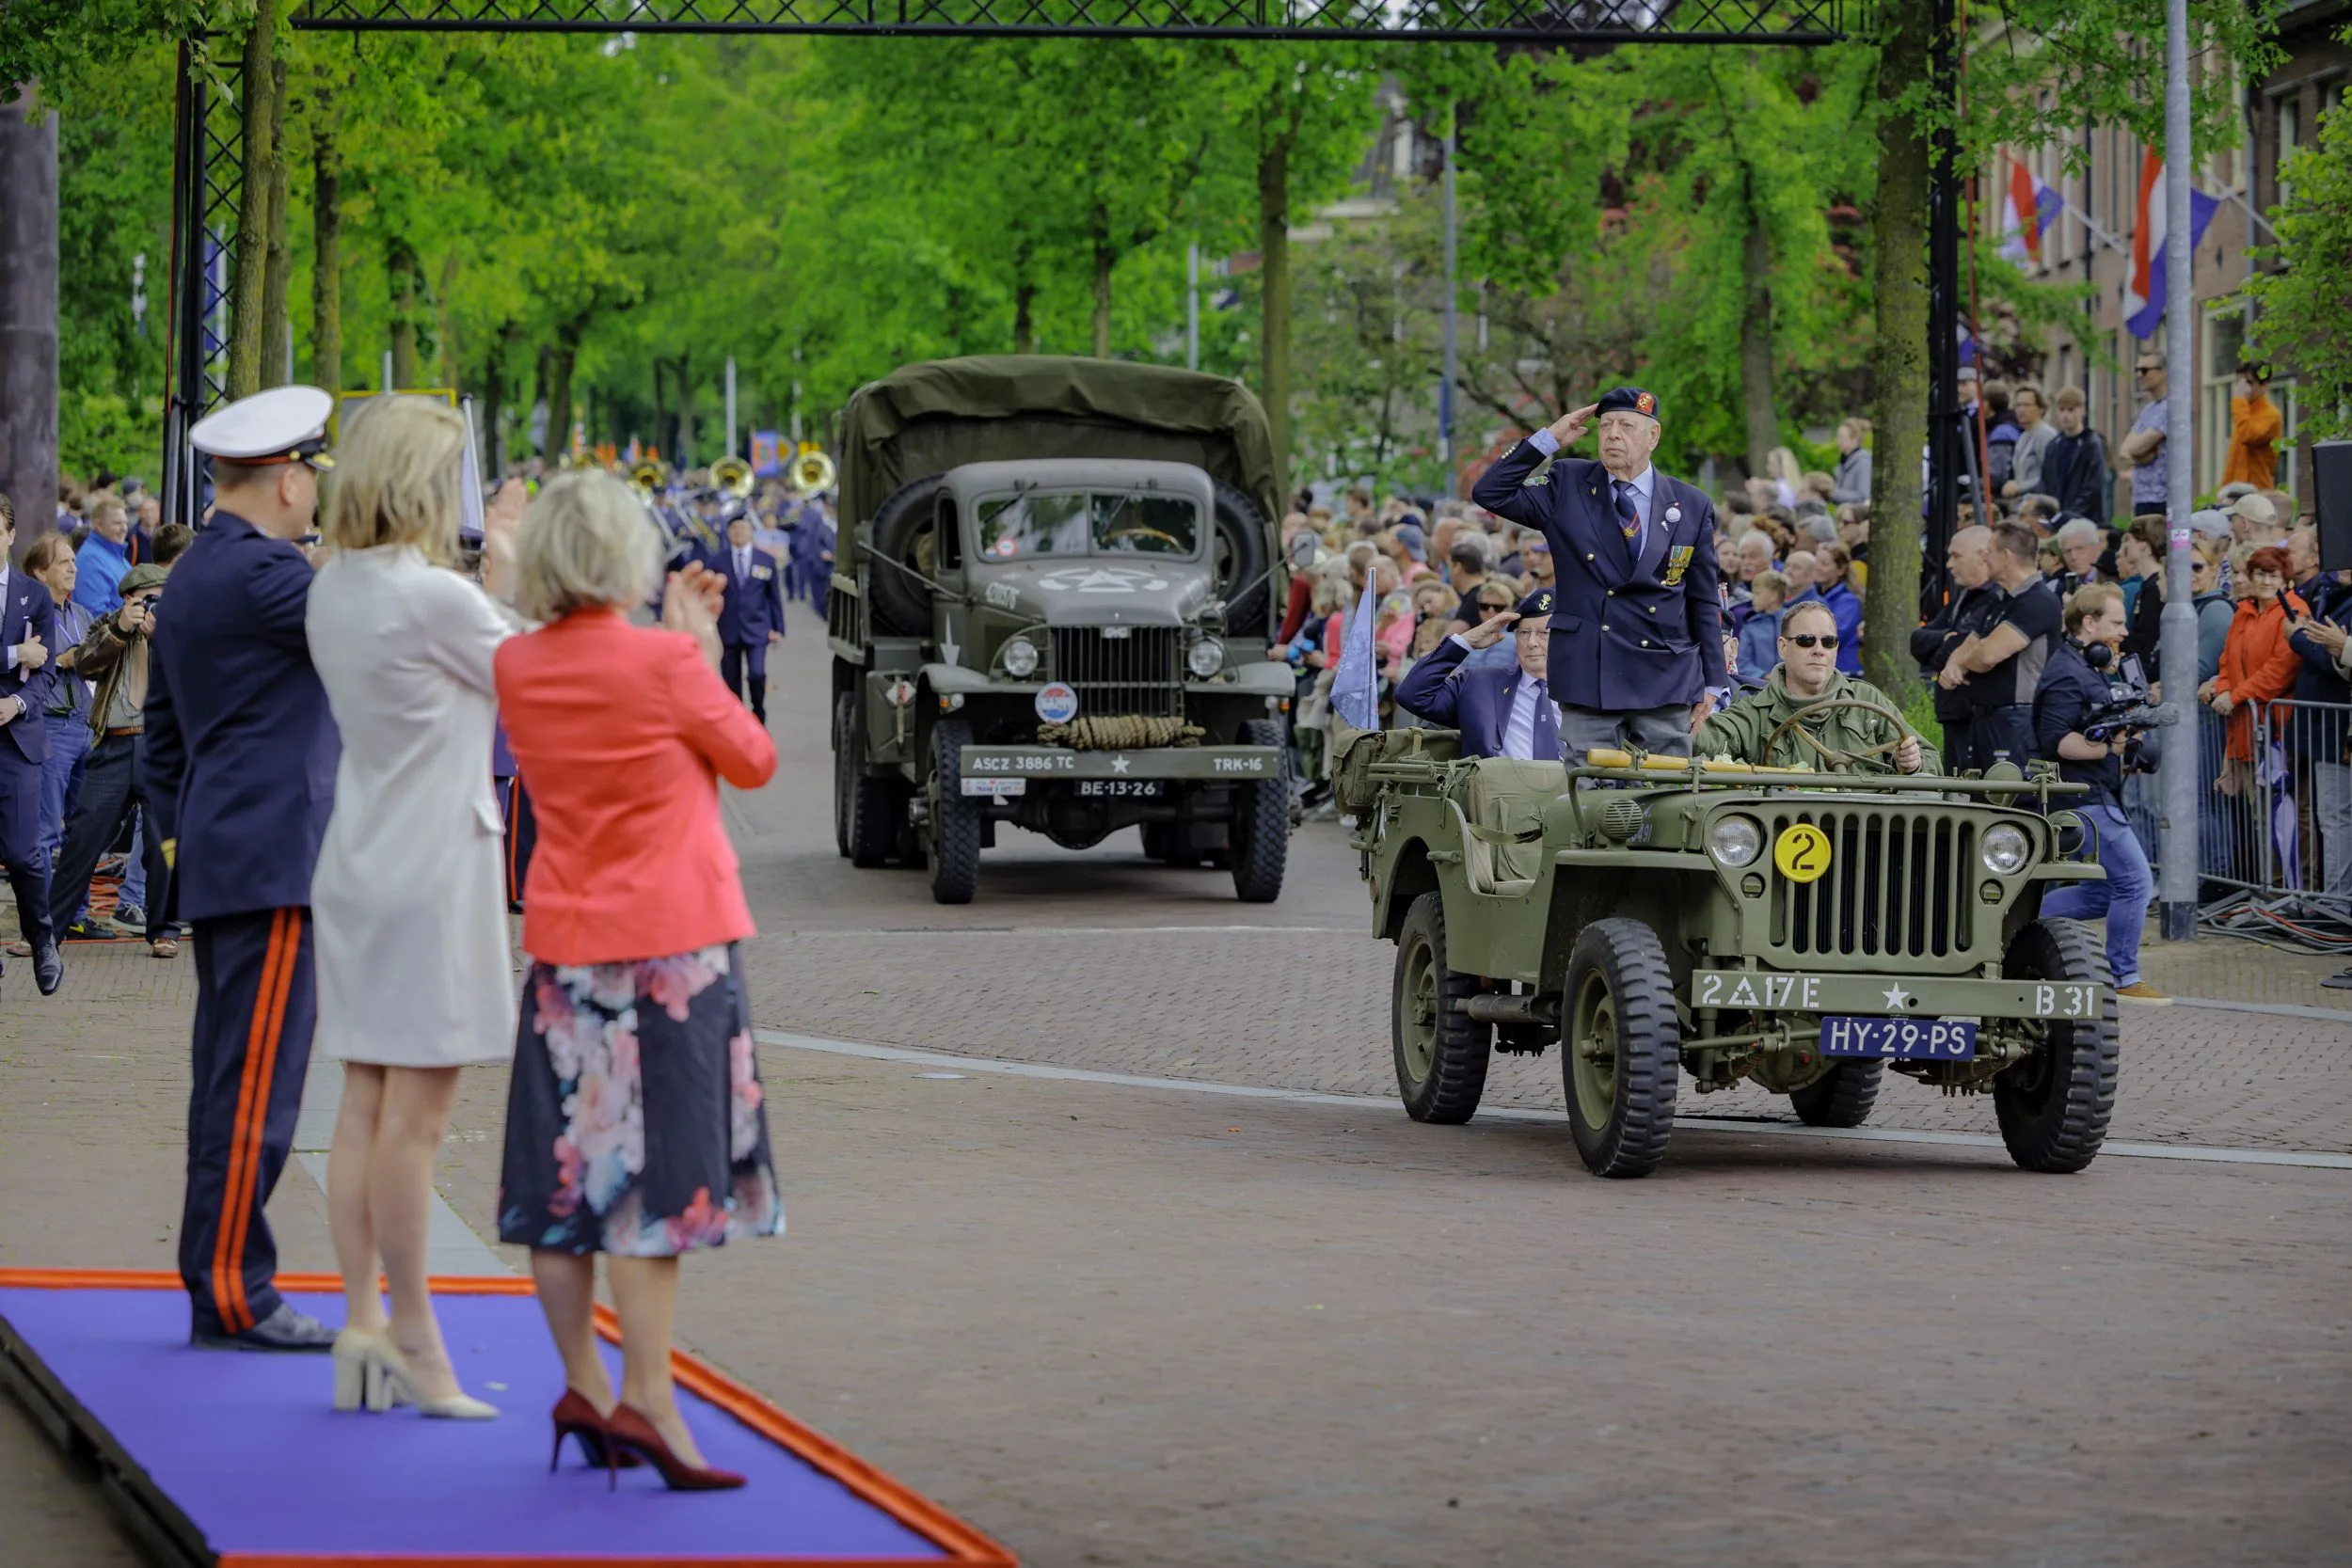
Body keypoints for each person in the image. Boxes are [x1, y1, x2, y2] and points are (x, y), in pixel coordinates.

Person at [495, 469, 782, 1491]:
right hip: (673, 948)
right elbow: (752, 758)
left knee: (566, 1175)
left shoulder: (517, 665)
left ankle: (582, 1383)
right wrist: (698, 649)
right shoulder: (665, 663)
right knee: (655, 1183)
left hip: (570, 945)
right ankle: (650, 1396)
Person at [306, 396, 527, 1420]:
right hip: (434, 864)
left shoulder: (334, 585)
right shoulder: (431, 595)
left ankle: (361, 1322)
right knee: (418, 1120)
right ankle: (416, 1337)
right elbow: (533, 678)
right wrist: (516, 568)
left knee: (364, 1100)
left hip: (359, 854)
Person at [142, 385, 342, 1352]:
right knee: (257, 1086)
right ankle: (233, 1286)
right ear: (288, 477)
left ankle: (220, 1274)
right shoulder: (269, 576)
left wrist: (189, 849)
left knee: (231, 1079)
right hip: (270, 862)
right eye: (311, 470)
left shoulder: (194, 573)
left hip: (234, 856)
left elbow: (163, 745)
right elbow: (377, 623)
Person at [1471, 388, 1725, 764]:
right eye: (1605, 425)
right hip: (1590, 670)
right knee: (1591, 797)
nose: (1612, 434)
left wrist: (1714, 680)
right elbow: (1489, 491)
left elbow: (1703, 599)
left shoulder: (1690, 503)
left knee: (1666, 795)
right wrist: (1549, 440)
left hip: (1664, 672)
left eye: (1626, 425)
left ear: (1653, 436)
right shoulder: (1568, 483)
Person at [2033, 583, 2167, 1003]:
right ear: (2088, 623)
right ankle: (2123, 977)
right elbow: (2056, 740)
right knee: (2136, 881)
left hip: (2094, 795)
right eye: (2116, 622)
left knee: (2105, 890)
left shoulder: (2082, 668)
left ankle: (2023, 922)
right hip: (2081, 799)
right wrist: (2114, 747)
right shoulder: (2065, 673)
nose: (2123, 632)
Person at [46, 564, 176, 956]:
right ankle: (49, 929)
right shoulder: (105, 624)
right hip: (114, 745)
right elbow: (85, 663)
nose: (156, 606)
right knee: (83, 838)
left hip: (161, 748)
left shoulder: (181, 628)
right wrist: (121, 629)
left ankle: (164, 929)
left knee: (164, 843)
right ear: (128, 599)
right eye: (148, 599)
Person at [1697, 598, 1931, 773]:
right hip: (1788, 833)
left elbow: (1930, 757)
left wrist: (1912, 763)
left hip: (1864, 831)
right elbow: (1700, 741)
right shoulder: (1755, 712)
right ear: (1783, 647)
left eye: (1828, 642)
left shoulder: (1867, 701)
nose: (1819, 650)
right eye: (1806, 641)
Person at [0, 494, 64, 994]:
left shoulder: (33, 595)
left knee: (24, 853)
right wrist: (13, 652)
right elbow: (27, 656)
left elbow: (47, 672)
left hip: (17, 738)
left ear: (9, 535)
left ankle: (42, 938)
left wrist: (18, 704)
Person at [1937, 521, 2060, 770]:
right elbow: (1967, 645)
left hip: (2016, 722)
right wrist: (1954, 663)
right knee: (1981, 800)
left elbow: (1987, 656)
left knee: (2010, 802)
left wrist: (1965, 662)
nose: (1984, 558)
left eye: (1989, 551)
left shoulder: (2037, 601)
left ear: (2006, 557)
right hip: (1985, 719)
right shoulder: (1999, 599)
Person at [1392, 589, 1565, 761]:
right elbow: (1412, 694)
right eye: (1524, 633)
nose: (1532, 643)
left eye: (1544, 633)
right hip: (1499, 785)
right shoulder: (1479, 684)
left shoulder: (1588, 691)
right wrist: (1466, 642)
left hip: (1572, 786)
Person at [2201, 544, 2307, 800]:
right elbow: (2227, 660)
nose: (2266, 581)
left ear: (2285, 579)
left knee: (2282, 812)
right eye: (2260, 574)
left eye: (2273, 576)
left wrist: (2235, 696)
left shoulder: (2295, 612)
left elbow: (2280, 670)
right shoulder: (2244, 612)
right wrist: (2225, 689)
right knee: (2256, 809)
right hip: (2245, 724)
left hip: (2278, 727)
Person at [21, 535, 91, 887]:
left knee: (83, 835)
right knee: (48, 831)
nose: (73, 567)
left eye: (73, 561)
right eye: (64, 562)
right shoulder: (27, 616)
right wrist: (63, 660)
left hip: (87, 727)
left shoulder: (82, 614)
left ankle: (74, 918)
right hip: (50, 727)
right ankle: (45, 925)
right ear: (40, 572)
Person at [1911, 526, 1999, 772]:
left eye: (1956, 556)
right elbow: (1917, 640)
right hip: (1952, 712)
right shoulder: (1963, 598)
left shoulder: (1995, 598)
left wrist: (1949, 645)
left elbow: (1955, 647)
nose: (1949, 564)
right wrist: (1947, 639)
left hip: (1975, 714)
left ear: (1982, 555)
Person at [714, 510, 787, 722]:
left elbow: (773, 597)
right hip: (728, 629)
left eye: (743, 529)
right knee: (731, 679)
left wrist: (778, 628)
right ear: (728, 532)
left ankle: (758, 711)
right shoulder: (718, 561)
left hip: (757, 628)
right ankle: (736, 718)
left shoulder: (765, 560)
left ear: (751, 532)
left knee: (756, 673)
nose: (739, 532)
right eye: (735, 529)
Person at [2042, 387, 2111, 524]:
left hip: (2085, 519)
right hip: (2057, 517)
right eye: (2062, 410)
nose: (2066, 415)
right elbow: (2045, 482)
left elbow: (2094, 486)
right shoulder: (2053, 445)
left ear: (2082, 410)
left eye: (2071, 410)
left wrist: (2070, 514)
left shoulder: (2092, 443)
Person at [2118, 355, 2171, 517]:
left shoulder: (2172, 407)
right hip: (2141, 497)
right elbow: (2124, 450)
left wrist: (2136, 452)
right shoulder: (2148, 410)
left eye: (2145, 370)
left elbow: (2136, 446)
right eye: (2137, 370)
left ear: (2164, 372)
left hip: (2162, 498)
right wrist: (2142, 458)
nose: (2139, 375)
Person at [72, 494, 134, 618]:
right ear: (99, 525)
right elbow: (96, 616)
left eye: (125, 523)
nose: (124, 529)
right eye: (117, 523)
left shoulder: (116, 554)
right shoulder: (90, 560)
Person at [2224, 366, 2282, 490]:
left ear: (2264, 385)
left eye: (2249, 382)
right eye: (2240, 383)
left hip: (2257, 491)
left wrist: (2239, 401)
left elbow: (2249, 435)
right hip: (2235, 491)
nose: (2243, 388)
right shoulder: (2244, 413)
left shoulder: (2270, 414)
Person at [2001, 385, 2056, 501]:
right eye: (2018, 405)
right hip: (2022, 504)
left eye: (2027, 405)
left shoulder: (2044, 434)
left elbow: (2049, 475)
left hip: (2039, 504)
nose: (2021, 410)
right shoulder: (2023, 435)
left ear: (2041, 409)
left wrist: (2019, 487)